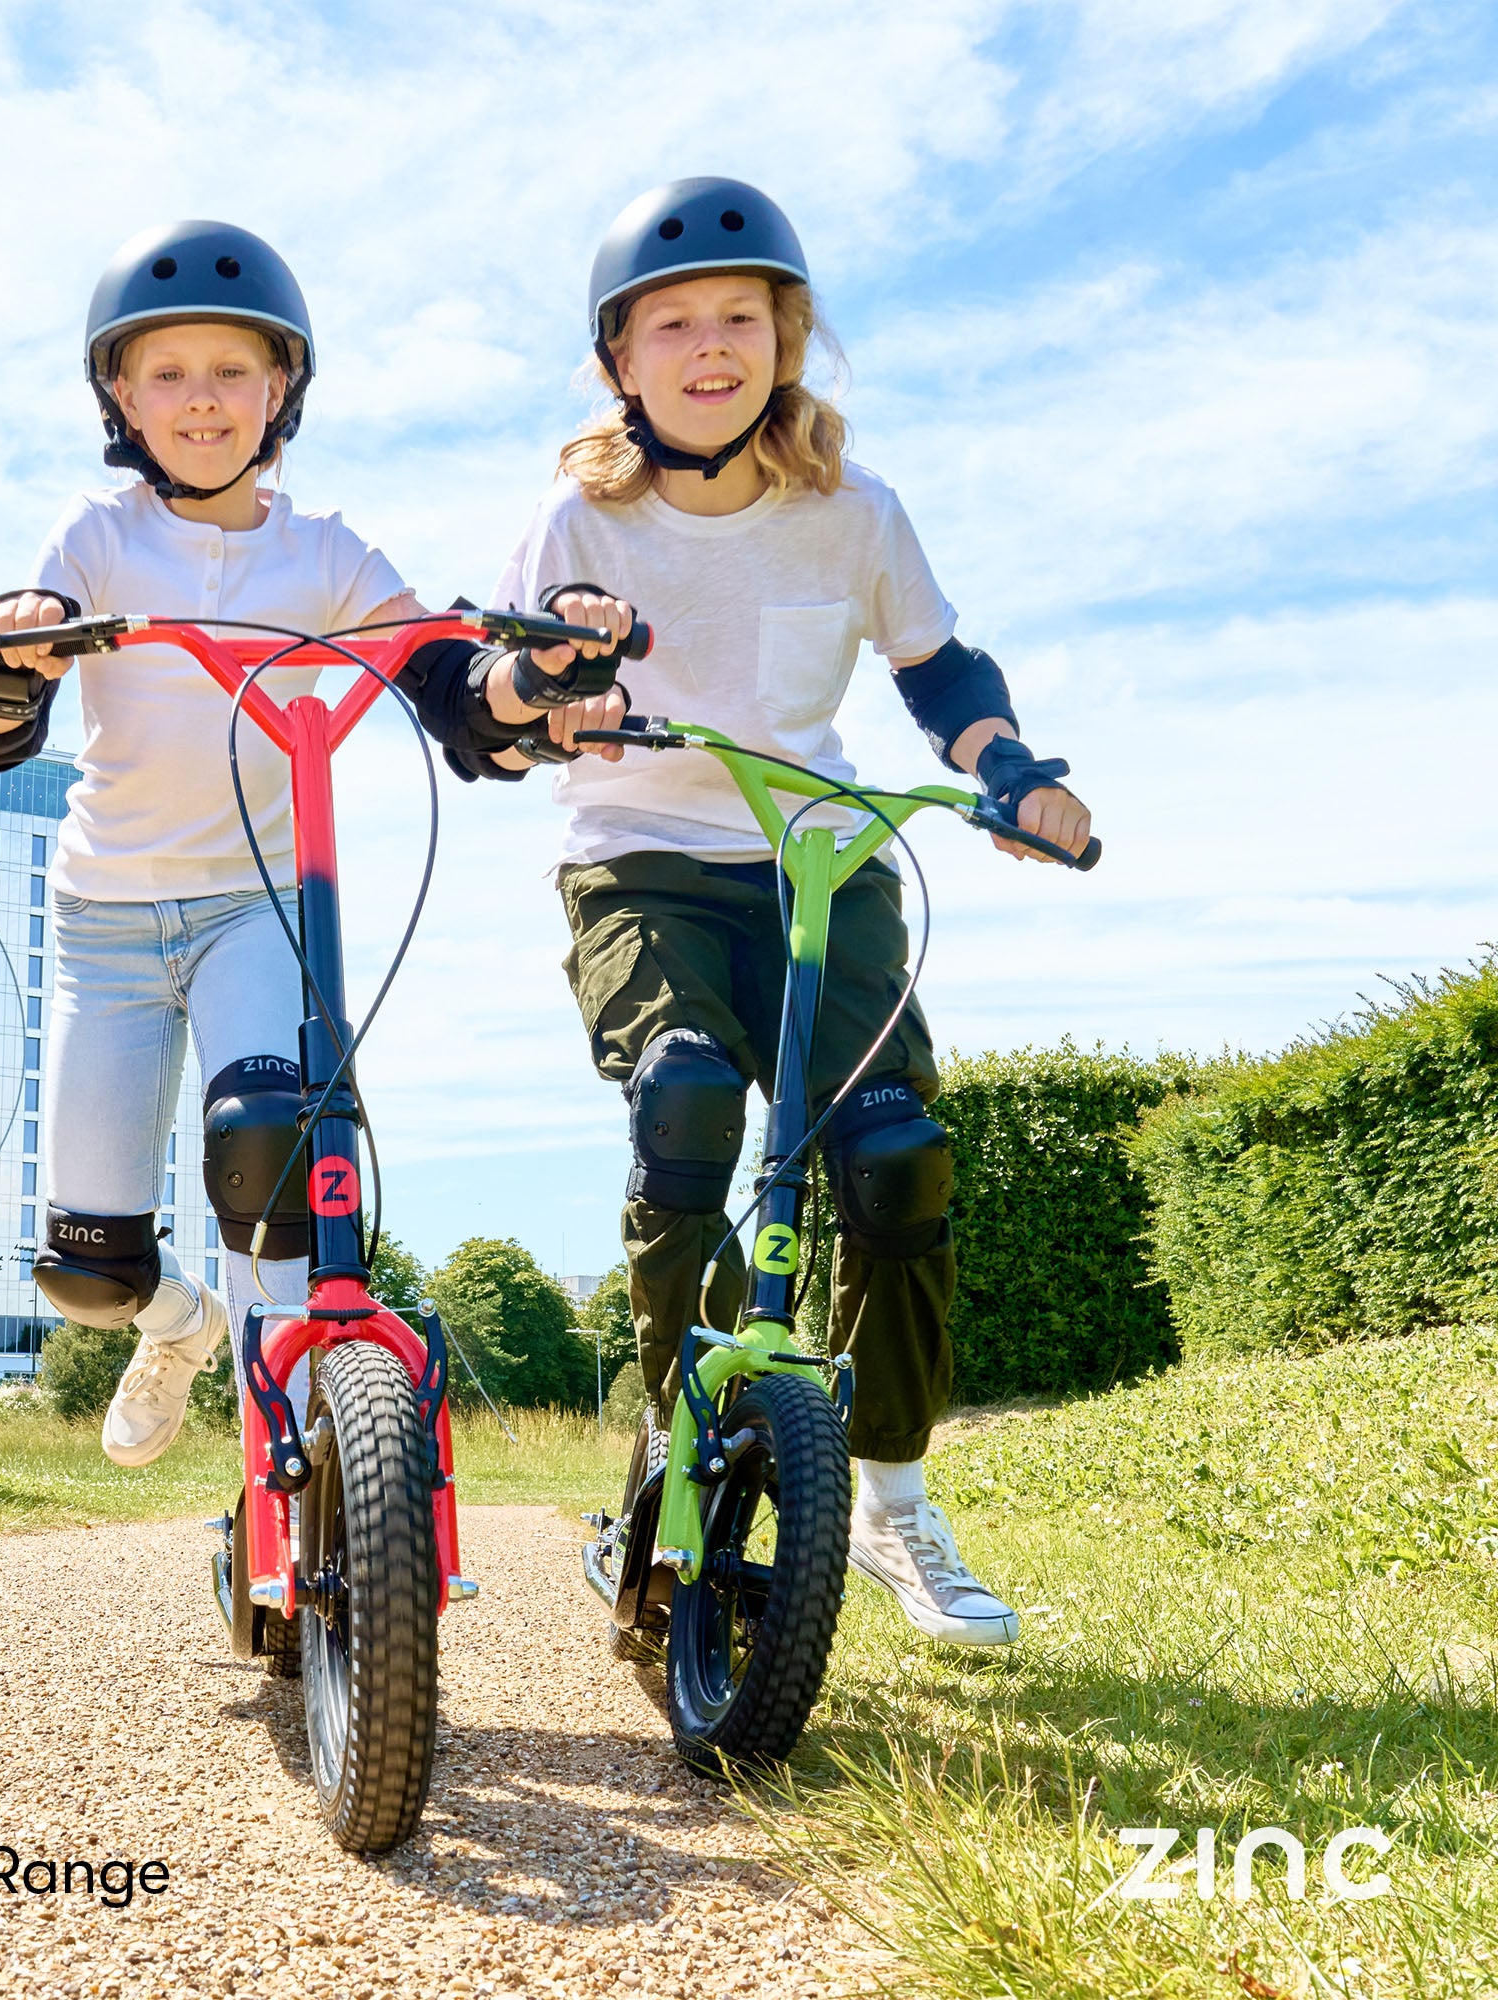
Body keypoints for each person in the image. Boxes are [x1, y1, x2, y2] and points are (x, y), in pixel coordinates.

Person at [463, 177, 1094, 1648]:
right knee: (684, 1103)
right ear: (621, 361)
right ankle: (690, 1427)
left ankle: (888, 1498)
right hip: (641, 860)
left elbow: (937, 670)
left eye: (737, 319)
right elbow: (500, 705)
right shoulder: (578, 518)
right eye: (670, 324)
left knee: (896, 1158)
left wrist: (1012, 773)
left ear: (785, 338)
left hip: (820, 857)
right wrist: (556, 703)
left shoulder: (851, 511)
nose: (707, 348)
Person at [0, 220, 613, 1469]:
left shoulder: (327, 556)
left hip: (257, 907)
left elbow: (453, 681)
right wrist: (9, 658)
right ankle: (175, 1323)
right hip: (108, 917)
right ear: (121, 398)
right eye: (169, 372)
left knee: (269, 1171)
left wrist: (531, 681)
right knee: (86, 1267)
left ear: (280, 389)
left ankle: (296, 1473)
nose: (202, 399)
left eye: (231, 370)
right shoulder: (95, 539)